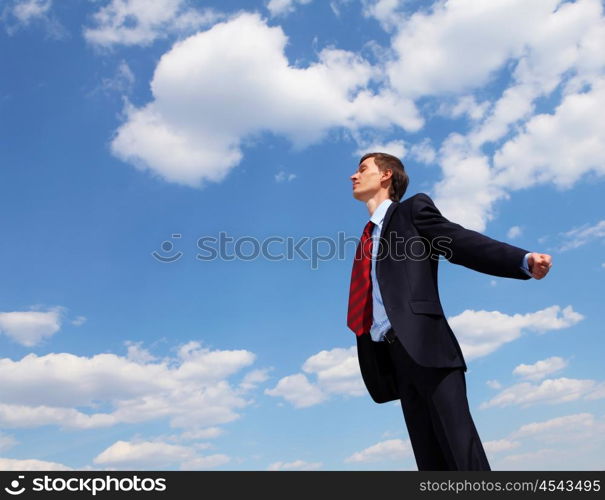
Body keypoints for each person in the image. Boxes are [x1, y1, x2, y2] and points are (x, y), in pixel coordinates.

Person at [347, 152, 552, 471]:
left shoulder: (411, 211)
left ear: (386, 175)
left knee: (461, 455)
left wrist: (520, 260)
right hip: (394, 356)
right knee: (430, 463)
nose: (353, 176)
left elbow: (459, 242)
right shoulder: (367, 237)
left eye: (362, 169)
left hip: (428, 346)